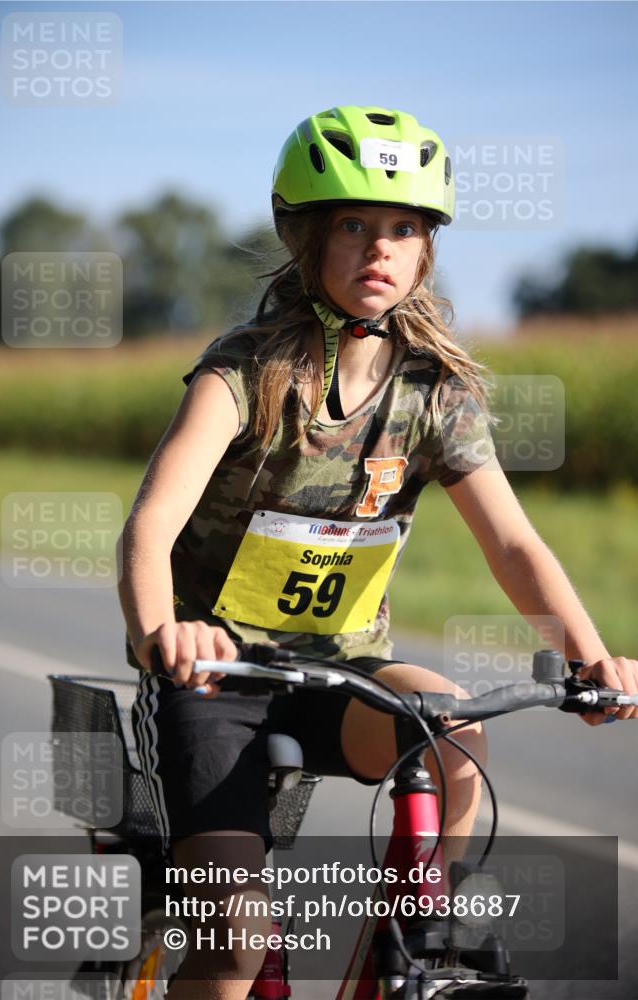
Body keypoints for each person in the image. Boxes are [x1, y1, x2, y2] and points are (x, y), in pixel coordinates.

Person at [117, 105, 637, 999]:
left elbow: (511, 542)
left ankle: (411, 936)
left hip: (348, 677)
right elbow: (150, 524)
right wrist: (163, 634)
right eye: (353, 225)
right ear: (306, 236)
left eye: (403, 228)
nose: (379, 249)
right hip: (217, 686)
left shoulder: (436, 392)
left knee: (454, 725)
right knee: (234, 943)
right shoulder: (241, 372)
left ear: (426, 248)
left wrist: (594, 660)